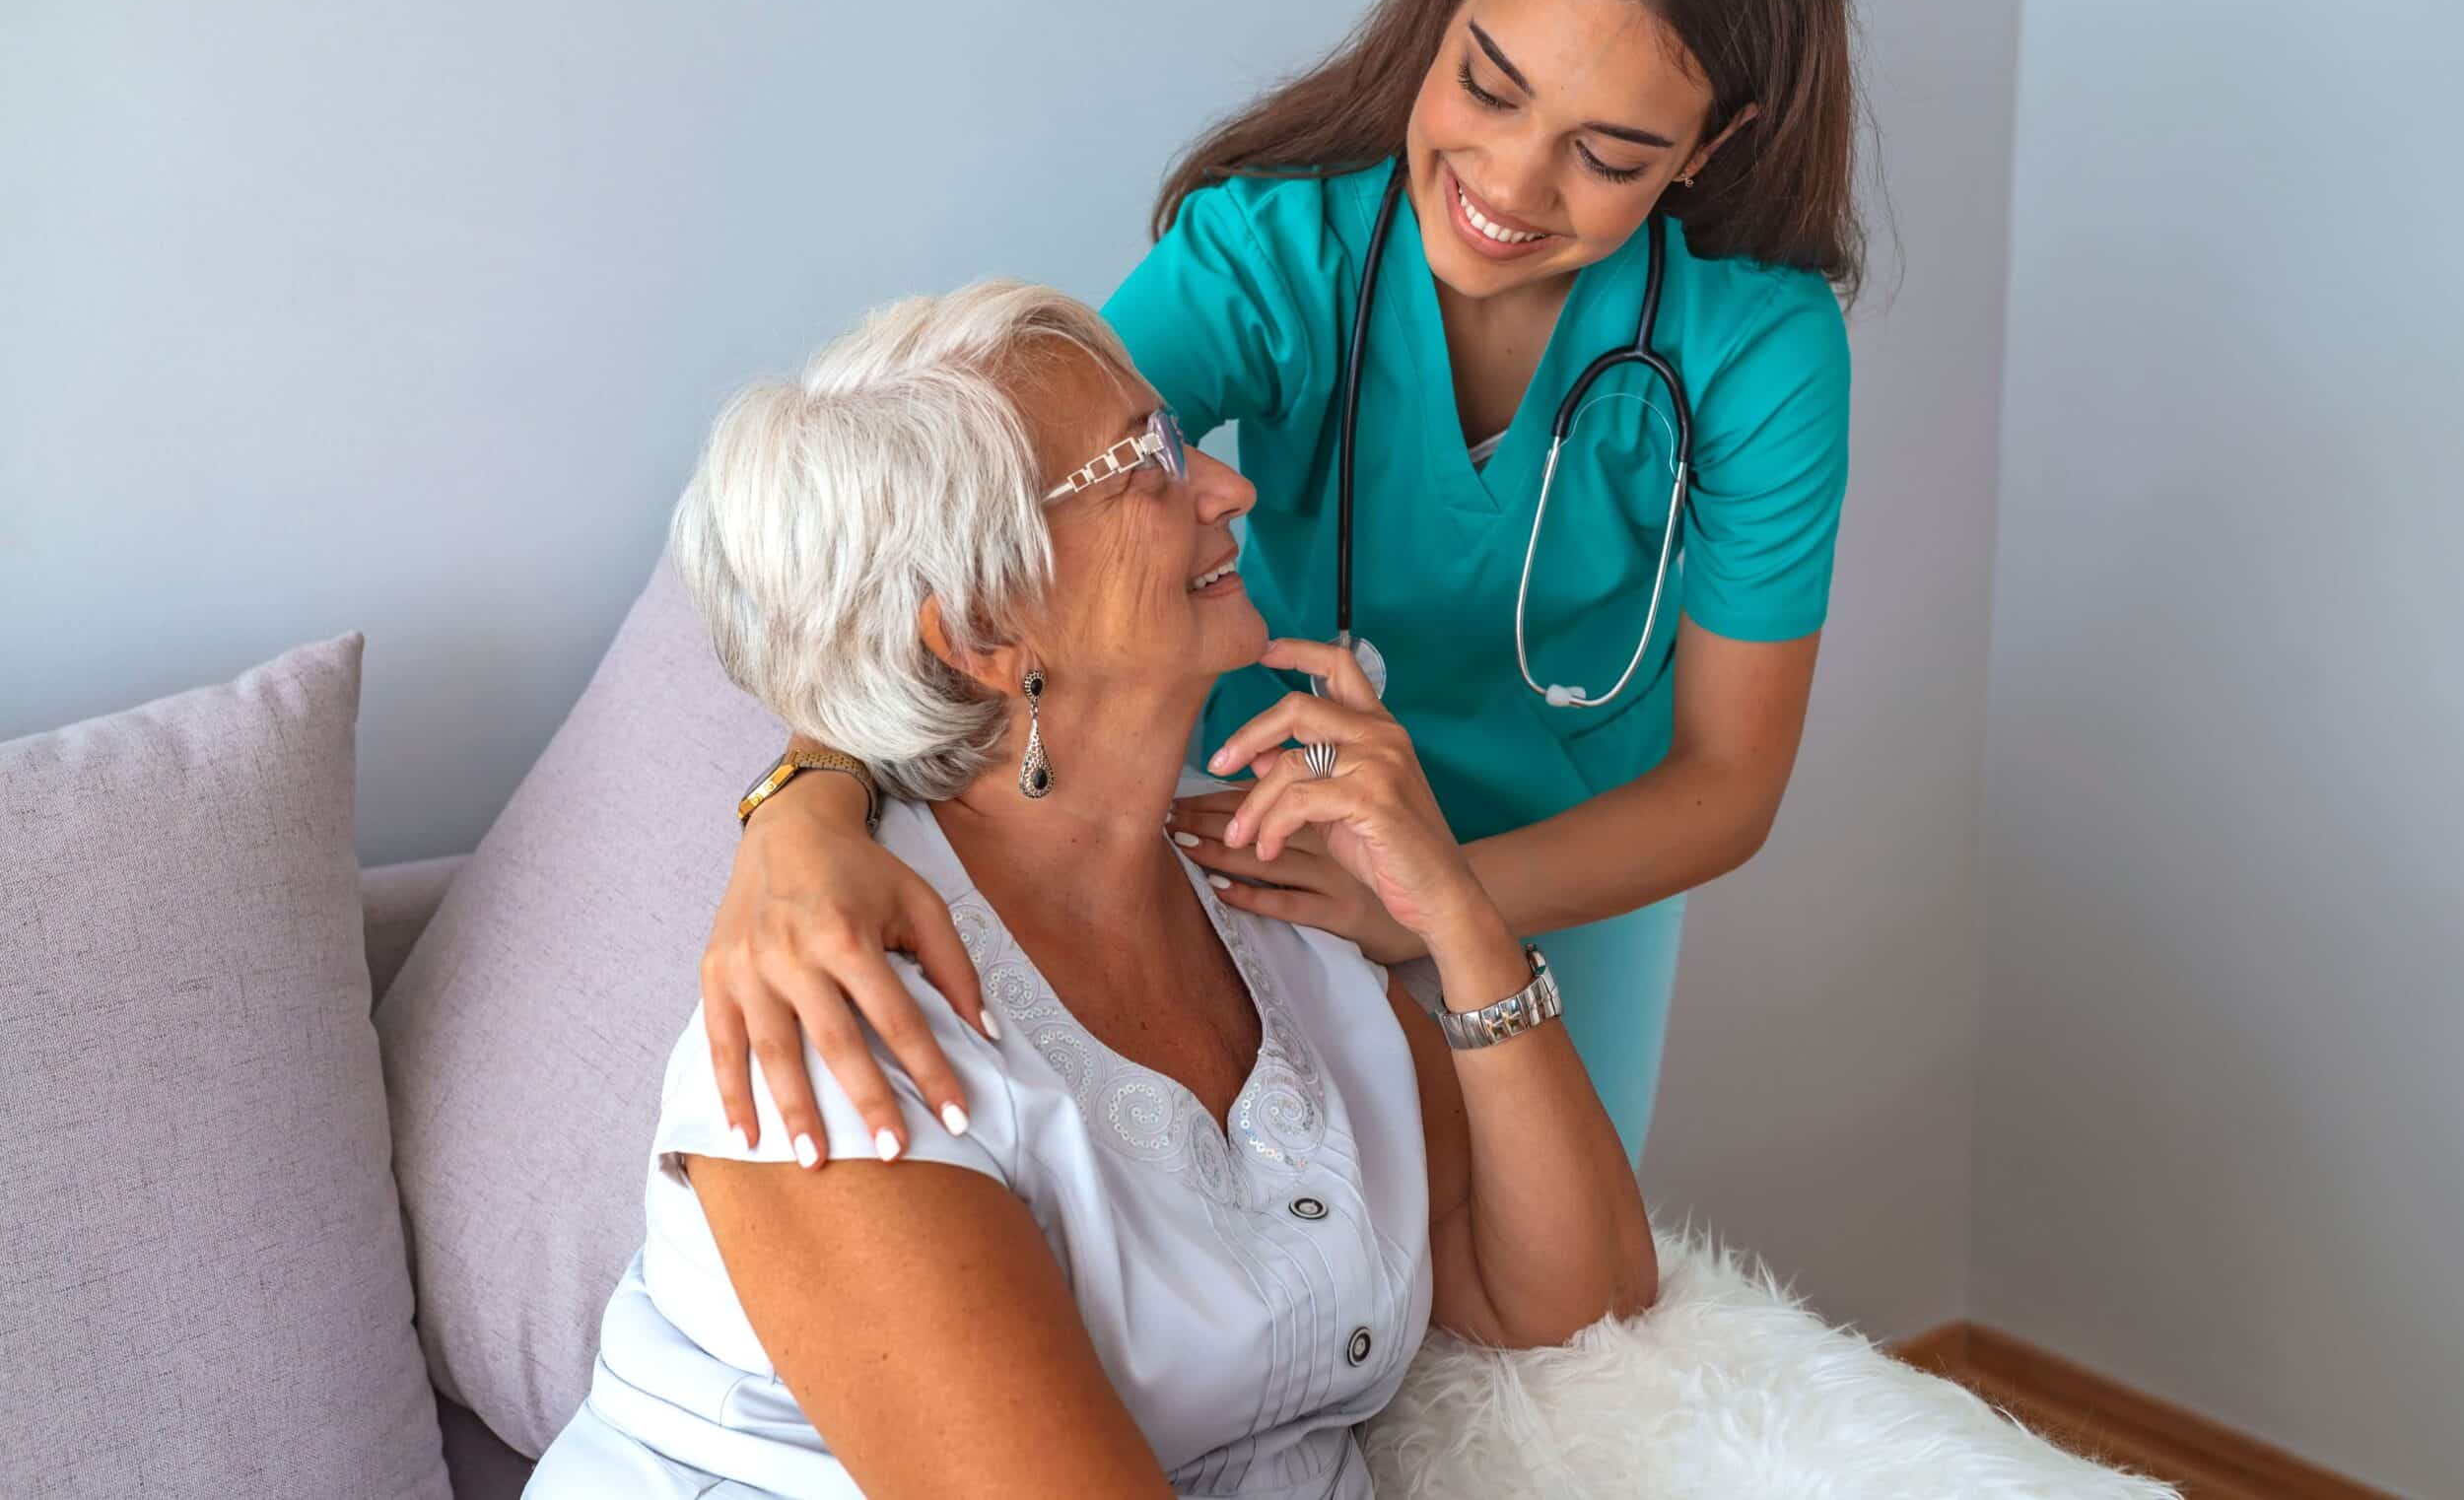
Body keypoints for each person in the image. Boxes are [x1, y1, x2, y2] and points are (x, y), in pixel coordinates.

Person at [701, 0, 1862, 1170]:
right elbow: (966, 533)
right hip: (1265, 845)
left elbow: (1727, 782)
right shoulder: (1276, 252)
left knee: (1556, 1323)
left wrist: (1437, 902)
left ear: (1716, 142)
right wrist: (801, 804)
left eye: (1606, 156)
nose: (1508, 182)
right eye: (1489, 87)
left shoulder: (1760, 353)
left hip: (1562, 891)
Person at [526, 283, 1657, 1498]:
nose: (1230, 490)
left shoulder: (1265, 892)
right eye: (1151, 463)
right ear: (982, 628)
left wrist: (1460, 923)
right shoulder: (841, 1037)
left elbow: (1576, 1308)